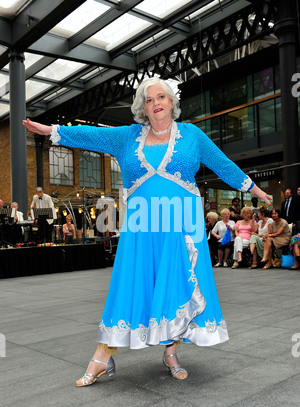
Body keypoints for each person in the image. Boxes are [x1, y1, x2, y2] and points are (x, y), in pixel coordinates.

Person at [23, 76, 271, 386]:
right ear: (142, 107)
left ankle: (170, 352)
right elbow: (91, 135)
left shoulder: (191, 135)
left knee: (175, 285)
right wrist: (51, 131)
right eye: (149, 99)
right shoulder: (127, 137)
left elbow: (223, 164)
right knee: (130, 286)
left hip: (181, 226)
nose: (155, 103)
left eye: (161, 98)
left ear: (171, 102)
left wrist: (255, 190)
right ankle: (102, 355)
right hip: (141, 227)